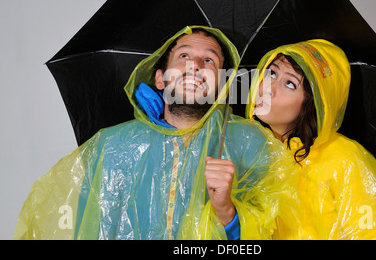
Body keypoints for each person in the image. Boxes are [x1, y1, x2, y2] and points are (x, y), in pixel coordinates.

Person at [13, 26, 285, 240]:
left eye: (210, 60)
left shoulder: (251, 144)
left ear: (223, 84)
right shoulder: (113, 146)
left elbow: (274, 235)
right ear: (159, 78)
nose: (195, 65)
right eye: (184, 56)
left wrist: (228, 213)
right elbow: (89, 230)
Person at [247, 39, 376, 239]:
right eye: (271, 73)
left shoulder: (345, 159)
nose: (269, 88)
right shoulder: (259, 155)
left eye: (289, 83)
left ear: (315, 103)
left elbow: (371, 234)